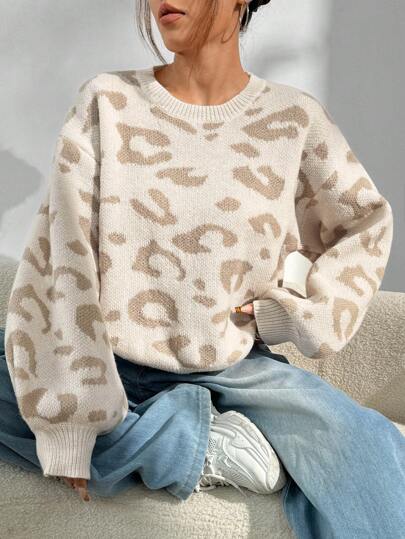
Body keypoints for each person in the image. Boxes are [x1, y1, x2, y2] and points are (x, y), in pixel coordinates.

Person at [1, 0, 404, 537]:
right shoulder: (107, 101)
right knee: (24, 372)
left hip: (234, 370)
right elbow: (61, 257)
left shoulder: (293, 120)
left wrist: (292, 315)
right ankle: (203, 446)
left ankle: (181, 432)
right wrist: (73, 424)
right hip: (111, 362)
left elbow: (364, 225)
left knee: (367, 451)